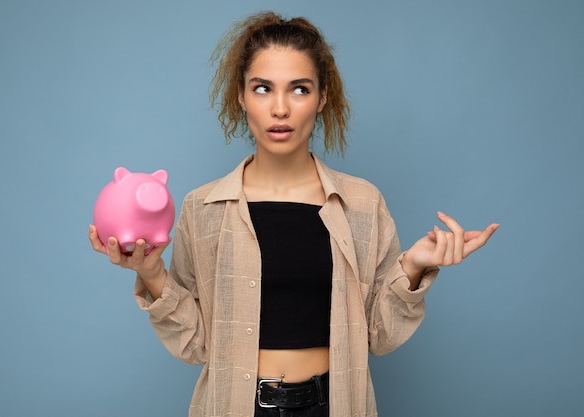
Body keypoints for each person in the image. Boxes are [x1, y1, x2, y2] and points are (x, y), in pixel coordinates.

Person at [88, 11, 499, 417]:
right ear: (241, 96)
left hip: (334, 405)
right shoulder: (204, 207)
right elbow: (195, 345)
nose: (280, 108)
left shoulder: (362, 203)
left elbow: (379, 336)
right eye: (263, 88)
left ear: (321, 98)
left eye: (299, 89)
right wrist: (152, 274)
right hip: (235, 407)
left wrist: (413, 266)